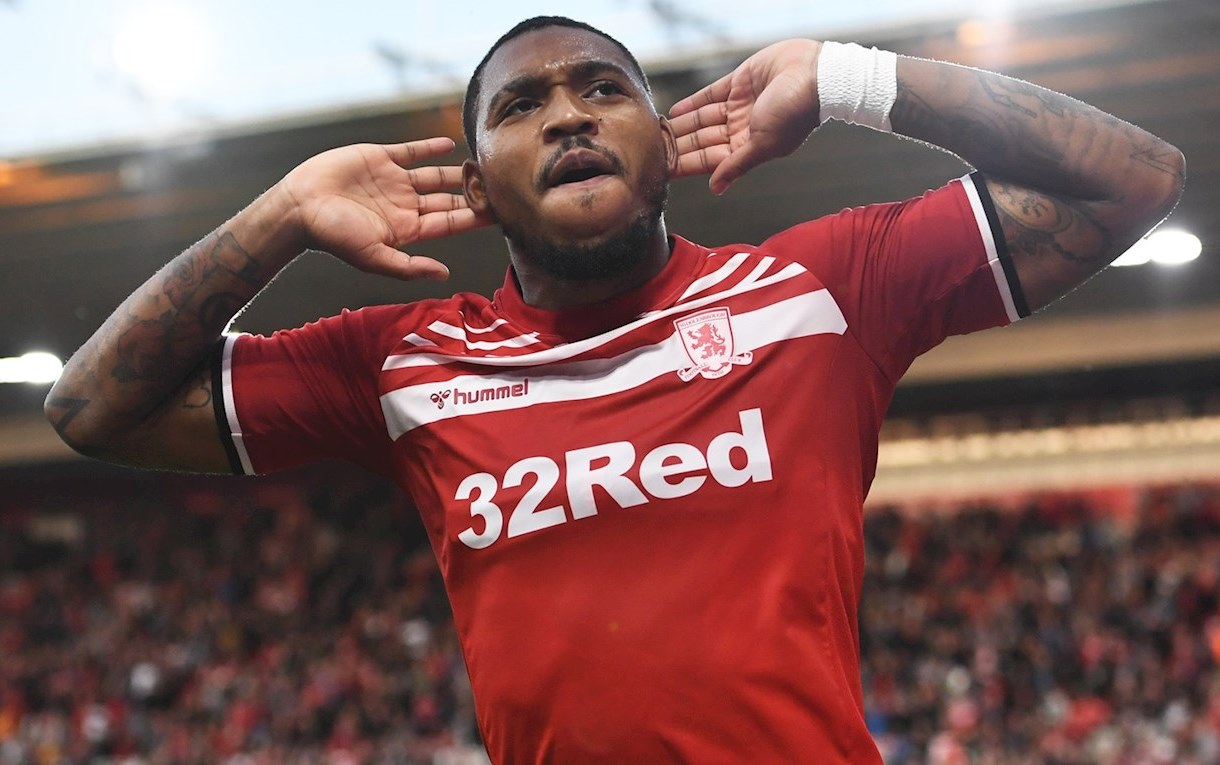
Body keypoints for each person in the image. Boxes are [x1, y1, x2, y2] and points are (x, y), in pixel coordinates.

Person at [45, 15, 1183, 763]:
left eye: (603, 88)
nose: (568, 114)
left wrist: (846, 77)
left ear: (665, 142)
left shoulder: (819, 289)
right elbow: (92, 409)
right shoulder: (402, 362)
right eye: (519, 106)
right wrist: (280, 217)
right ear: (478, 187)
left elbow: (1134, 181)